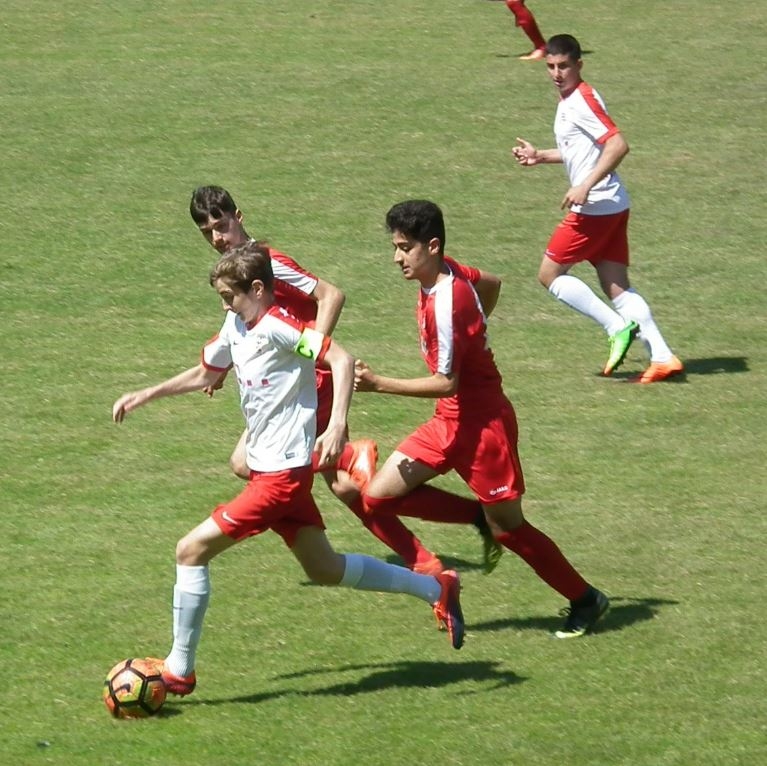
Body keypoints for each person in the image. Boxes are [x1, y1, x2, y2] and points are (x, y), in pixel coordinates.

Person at [112, 244, 466, 696]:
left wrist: (336, 425)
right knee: (325, 568)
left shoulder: (280, 328)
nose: (225, 306)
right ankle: (437, 589)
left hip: (281, 479)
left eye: (229, 296)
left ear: (258, 289)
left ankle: (180, 671)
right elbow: (206, 373)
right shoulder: (236, 324)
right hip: (270, 472)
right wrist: (146, 394)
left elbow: (340, 359)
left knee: (190, 550)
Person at [354, 200, 609, 638]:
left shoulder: (447, 302)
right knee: (377, 498)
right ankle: (477, 518)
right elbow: (492, 283)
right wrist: (476, 330)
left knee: (509, 529)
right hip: (447, 422)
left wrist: (379, 384)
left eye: (405, 248)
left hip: (483, 428)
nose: (397, 257)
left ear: (433, 246)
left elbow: (446, 382)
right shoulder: (447, 272)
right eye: (395, 246)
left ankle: (586, 599)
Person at [189, 186, 451, 575]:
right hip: (288, 383)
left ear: (238, 217)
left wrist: (309, 357)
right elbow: (247, 327)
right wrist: (222, 367)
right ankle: (424, 563)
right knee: (343, 485)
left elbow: (331, 295)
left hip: (308, 382)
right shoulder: (236, 269)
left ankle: (352, 456)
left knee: (245, 462)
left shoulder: (269, 262)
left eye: (221, 226)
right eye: (207, 232)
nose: (216, 238)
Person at [512, 34, 683, 383]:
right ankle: (663, 358)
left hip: (595, 207)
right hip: (612, 205)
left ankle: (616, 327)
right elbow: (583, 151)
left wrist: (585, 185)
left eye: (564, 66)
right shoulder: (573, 100)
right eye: (551, 67)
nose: (557, 74)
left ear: (579, 65)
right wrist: (540, 156)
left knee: (549, 274)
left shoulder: (581, 101)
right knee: (617, 286)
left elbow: (618, 145)